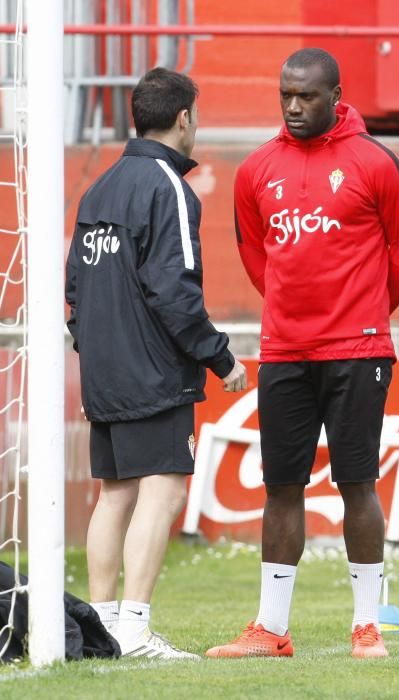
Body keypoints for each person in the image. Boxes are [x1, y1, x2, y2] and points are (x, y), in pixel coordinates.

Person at [206, 48, 399, 660]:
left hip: (358, 350)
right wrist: (297, 311)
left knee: (357, 483)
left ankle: (366, 627)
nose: (294, 106)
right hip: (284, 352)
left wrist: (362, 313)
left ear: (336, 94)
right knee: (281, 487)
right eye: (285, 96)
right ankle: (271, 630)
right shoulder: (256, 169)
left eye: (306, 96)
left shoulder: (377, 161)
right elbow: (258, 259)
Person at [65, 67, 247, 660]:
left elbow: (75, 286)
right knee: (163, 490)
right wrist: (219, 358)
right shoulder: (168, 186)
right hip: (152, 371)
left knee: (114, 493)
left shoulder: (99, 185)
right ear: (184, 118)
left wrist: (91, 348)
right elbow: (174, 289)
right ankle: (136, 631)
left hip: (103, 370)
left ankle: (103, 625)